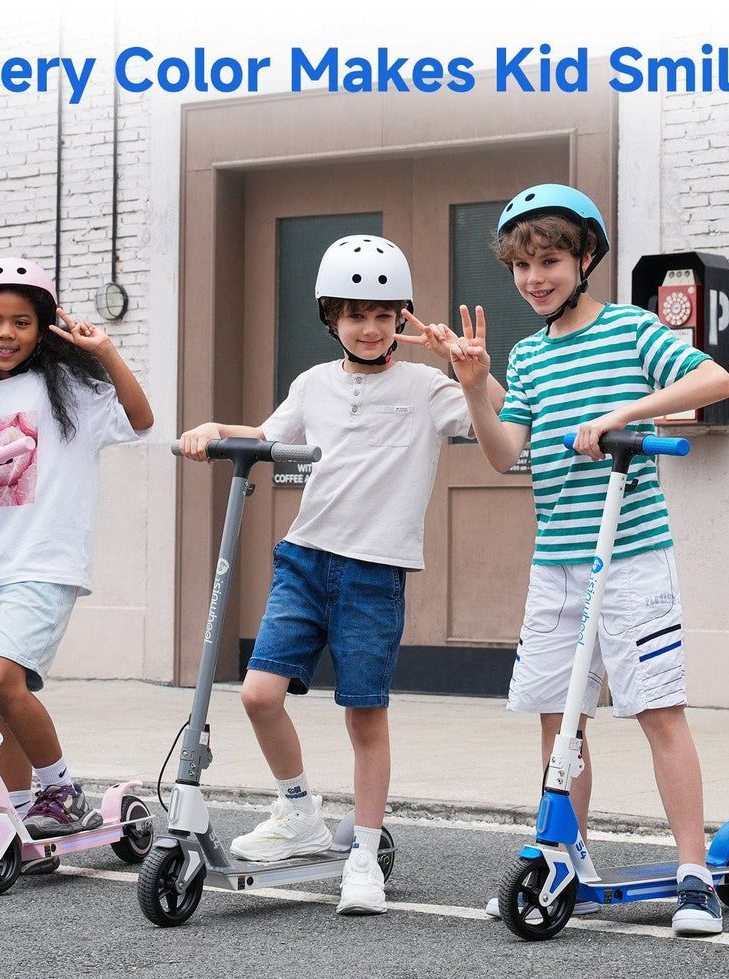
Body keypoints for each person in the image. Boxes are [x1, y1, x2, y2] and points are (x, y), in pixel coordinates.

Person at [179, 234, 503, 915]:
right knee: (260, 695)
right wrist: (214, 430)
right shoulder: (312, 383)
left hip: (374, 574)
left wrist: (469, 372)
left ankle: (363, 854)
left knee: (363, 716)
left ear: (402, 319)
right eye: (354, 312)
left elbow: (495, 421)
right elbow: (270, 437)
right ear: (330, 316)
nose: (370, 326)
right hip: (305, 560)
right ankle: (299, 810)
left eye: (384, 314)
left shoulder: (426, 386)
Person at [446, 184, 729, 935]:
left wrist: (622, 413)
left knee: (658, 714)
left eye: (550, 261)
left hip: (633, 558)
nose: (535, 277)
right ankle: (565, 859)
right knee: (559, 721)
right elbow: (507, 453)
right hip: (559, 563)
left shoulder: (631, 329)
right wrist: (477, 390)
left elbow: (713, 380)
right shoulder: (527, 356)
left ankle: (695, 873)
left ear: (584, 261)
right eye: (522, 266)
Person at [0, 257, 153, 868]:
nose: (6, 333)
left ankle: (59, 789)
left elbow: (141, 420)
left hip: (45, 559)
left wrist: (107, 353)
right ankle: (25, 817)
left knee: (5, 679)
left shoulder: (71, 391)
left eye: (22, 322)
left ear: (45, 326)